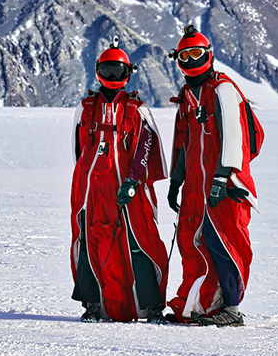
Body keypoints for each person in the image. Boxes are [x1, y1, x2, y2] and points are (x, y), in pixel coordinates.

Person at [165, 24, 261, 327]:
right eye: (184, 56)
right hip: (196, 184)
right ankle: (201, 305)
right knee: (193, 243)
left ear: (209, 54)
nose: (191, 61)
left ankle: (231, 308)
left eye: (196, 53)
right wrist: (176, 180)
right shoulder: (187, 95)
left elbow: (234, 136)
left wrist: (222, 177)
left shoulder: (222, 89)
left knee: (224, 241)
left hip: (225, 183)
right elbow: (183, 141)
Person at [70, 37, 170, 324]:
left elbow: (146, 148)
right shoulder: (85, 107)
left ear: (128, 73)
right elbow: (78, 150)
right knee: (89, 241)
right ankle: (92, 304)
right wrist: (85, 181)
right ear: (98, 71)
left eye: (119, 71)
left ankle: (151, 305)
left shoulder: (137, 109)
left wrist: (133, 181)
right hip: (91, 189)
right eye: (108, 70)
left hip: (129, 189)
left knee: (139, 240)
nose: (113, 77)